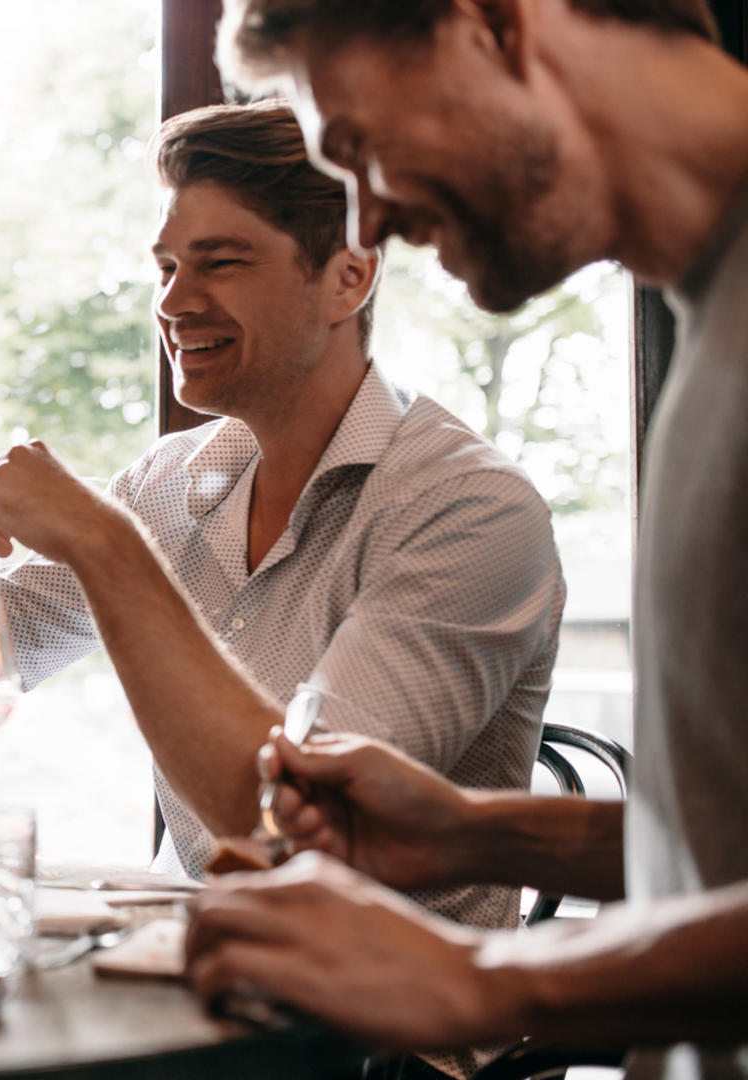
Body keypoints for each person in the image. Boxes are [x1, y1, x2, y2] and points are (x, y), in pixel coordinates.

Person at [0, 101, 560, 930]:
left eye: (220, 262)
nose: (173, 302)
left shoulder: (471, 511)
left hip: (389, 1031)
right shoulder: (171, 481)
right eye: (166, 267)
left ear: (349, 276)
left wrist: (99, 538)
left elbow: (304, 830)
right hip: (199, 964)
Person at [183, 2, 748, 1077]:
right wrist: (479, 833)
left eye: (356, 144)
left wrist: (490, 981)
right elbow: (721, 857)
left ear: (491, 24)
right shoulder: (709, 321)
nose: (371, 218)